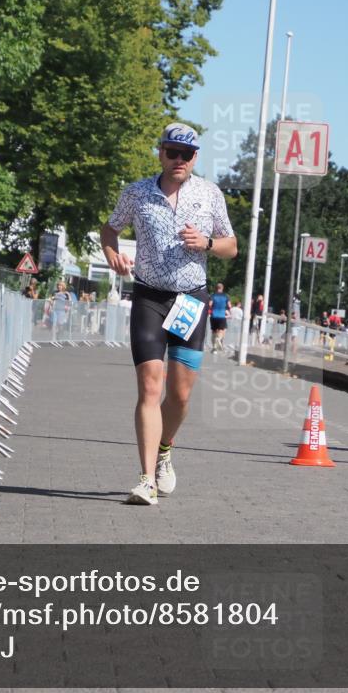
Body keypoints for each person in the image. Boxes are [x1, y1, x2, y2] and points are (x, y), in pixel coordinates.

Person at [101, 122, 237, 505]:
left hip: (191, 301)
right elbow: (109, 229)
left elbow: (231, 246)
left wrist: (207, 243)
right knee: (150, 387)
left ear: (195, 158)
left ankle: (165, 450)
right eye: (172, 152)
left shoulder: (209, 194)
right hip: (148, 296)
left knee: (178, 396)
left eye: (187, 154)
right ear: (160, 152)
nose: (178, 160)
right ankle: (146, 479)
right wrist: (112, 253)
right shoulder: (137, 192)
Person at [209, 282, 230, 353]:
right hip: (222, 316)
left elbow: (210, 304)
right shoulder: (226, 296)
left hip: (214, 315)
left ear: (216, 288)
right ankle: (219, 339)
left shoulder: (213, 295)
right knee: (221, 330)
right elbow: (229, 306)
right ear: (222, 288)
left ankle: (214, 348)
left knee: (214, 331)